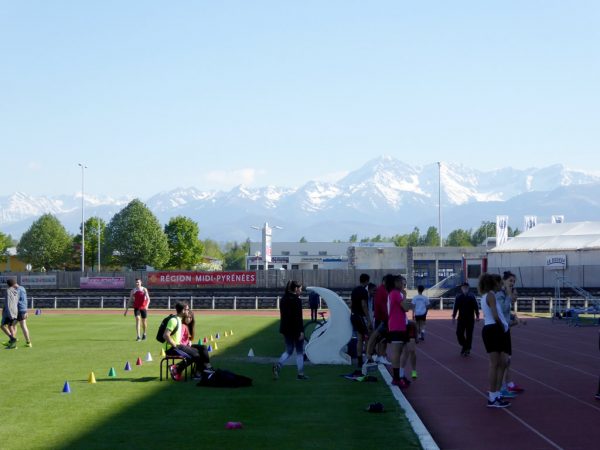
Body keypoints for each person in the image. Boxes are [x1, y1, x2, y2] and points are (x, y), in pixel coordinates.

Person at [479, 273, 511, 408]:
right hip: (494, 329)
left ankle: (496, 394)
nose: (501, 285)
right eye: (500, 283)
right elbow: (495, 315)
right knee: (494, 364)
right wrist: (502, 326)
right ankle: (492, 397)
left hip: (495, 329)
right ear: (495, 283)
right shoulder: (490, 296)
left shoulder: (488, 296)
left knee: (502, 363)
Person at [496, 271, 525, 398]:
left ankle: (508, 384)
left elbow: (506, 312)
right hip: (499, 331)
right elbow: (501, 311)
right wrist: (509, 296)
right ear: (504, 281)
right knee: (502, 361)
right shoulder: (500, 294)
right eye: (510, 281)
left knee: (507, 360)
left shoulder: (505, 294)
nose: (512, 284)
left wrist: (515, 318)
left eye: (514, 282)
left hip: (505, 330)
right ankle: (500, 388)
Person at [164, 302, 209, 381]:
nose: (188, 311)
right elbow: (166, 335)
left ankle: (178, 368)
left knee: (198, 351)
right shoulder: (173, 320)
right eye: (187, 309)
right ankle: (195, 374)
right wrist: (175, 345)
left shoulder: (179, 319)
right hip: (172, 348)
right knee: (196, 354)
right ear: (183, 310)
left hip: (178, 346)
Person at [273, 280, 308, 380]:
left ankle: (278, 365)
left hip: (286, 329)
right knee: (300, 352)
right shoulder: (297, 300)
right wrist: (301, 331)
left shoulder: (283, 299)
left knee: (288, 350)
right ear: (296, 289)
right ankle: (300, 374)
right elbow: (298, 317)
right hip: (296, 330)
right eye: (300, 289)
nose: (301, 291)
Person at [387, 275, 410, 388]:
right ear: (397, 283)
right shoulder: (395, 293)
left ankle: (400, 375)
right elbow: (406, 308)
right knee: (397, 353)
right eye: (403, 283)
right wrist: (405, 297)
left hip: (400, 325)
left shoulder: (395, 294)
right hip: (396, 326)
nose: (404, 286)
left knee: (405, 351)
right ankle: (396, 378)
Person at [452, 282, 480, 356]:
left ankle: (467, 349)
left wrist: (477, 316)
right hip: (461, 319)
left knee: (469, 335)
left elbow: (476, 307)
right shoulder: (459, 297)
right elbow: (456, 307)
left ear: (468, 288)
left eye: (466, 287)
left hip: (470, 319)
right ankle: (465, 346)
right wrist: (453, 316)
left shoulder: (472, 297)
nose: (465, 289)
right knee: (459, 333)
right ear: (461, 288)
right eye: (463, 287)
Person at [350, 273, 371, 369]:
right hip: (360, 316)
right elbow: (364, 305)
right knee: (367, 336)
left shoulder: (354, 290)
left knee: (359, 338)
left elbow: (351, 303)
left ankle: (359, 360)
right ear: (366, 281)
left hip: (354, 315)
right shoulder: (364, 291)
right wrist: (368, 318)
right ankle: (367, 357)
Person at [1, 279, 20, 349]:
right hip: (15, 310)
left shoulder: (8, 290)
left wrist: (7, 312)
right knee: (11, 326)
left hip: (9, 312)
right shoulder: (16, 291)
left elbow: (8, 303)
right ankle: (13, 343)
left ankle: (12, 339)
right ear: (14, 284)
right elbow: (16, 301)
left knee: (3, 326)